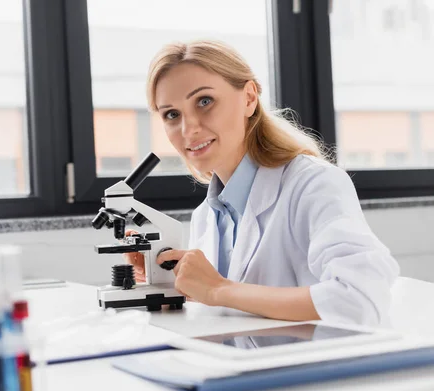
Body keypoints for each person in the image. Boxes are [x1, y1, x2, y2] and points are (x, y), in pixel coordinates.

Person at [125, 40, 399, 326]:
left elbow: (360, 298)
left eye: (204, 101)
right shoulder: (206, 217)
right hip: (238, 365)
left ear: (249, 98)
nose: (188, 128)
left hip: (312, 367)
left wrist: (218, 288)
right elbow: (236, 310)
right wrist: (174, 287)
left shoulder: (314, 184)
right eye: (172, 114)